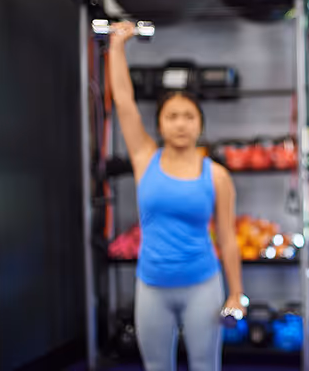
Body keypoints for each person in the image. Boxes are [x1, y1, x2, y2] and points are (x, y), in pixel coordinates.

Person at [109, 21, 245, 371]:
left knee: (205, 365)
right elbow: (124, 101)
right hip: (152, 286)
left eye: (188, 116)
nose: (181, 123)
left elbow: (228, 240)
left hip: (202, 284)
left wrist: (235, 294)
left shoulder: (216, 175)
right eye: (172, 116)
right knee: (157, 367)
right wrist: (117, 46)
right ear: (160, 124)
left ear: (200, 124)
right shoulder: (144, 158)